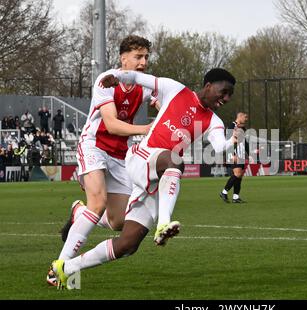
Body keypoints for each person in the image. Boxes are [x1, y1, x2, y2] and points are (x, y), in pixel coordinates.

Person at [50, 68, 238, 289]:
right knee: (175, 160)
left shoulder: (213, 120)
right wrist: (118, 77)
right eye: (223, 92)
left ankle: (66, 268)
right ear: (208, 86)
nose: (225, 98)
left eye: (229, 96)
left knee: (128, 244)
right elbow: (139, 78)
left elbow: (219, 146)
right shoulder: (176, 89)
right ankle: (164, 223)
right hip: (142, 157)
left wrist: (234, 138)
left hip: (160, 176)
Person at [46, 35, 154, 286]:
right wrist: (148, 129)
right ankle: (60, 269)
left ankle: (79, 211)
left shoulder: (145, 86)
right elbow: (112, 124)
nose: (143, 62)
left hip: (119, 155)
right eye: (138, 57)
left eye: (146, 57)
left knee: (118, 222)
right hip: (94, 145)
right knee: (98, 202)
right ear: (123, 58)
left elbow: (165, 102)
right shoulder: (107, 80)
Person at [219, 112, 249, 203]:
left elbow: (245, 142)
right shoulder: (232, 126)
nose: (246, 119)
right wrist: (231, 154)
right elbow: (229, 141)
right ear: (239, 116)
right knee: (237, 174)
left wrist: (249, 153)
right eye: (245, 117)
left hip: (241, 154)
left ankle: (235, 197)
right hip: (234, 154)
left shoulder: (242, 127)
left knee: (239, 176)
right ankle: (224, 192)